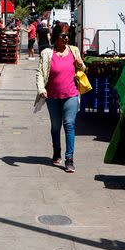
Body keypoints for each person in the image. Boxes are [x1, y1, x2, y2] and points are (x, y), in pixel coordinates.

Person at [35, 22, 86, 173]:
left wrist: (80, 64)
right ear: (56, 36)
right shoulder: (47, 53)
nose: (66, 38)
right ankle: (56, 150)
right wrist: (41, 89)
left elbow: (83, 68)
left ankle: (69, 158)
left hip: (71, 95)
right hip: (53, 97)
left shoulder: (74, 51)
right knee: (56, 126)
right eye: (63, 35)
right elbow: (40, 73)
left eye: (68, 35)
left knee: (69, 125)